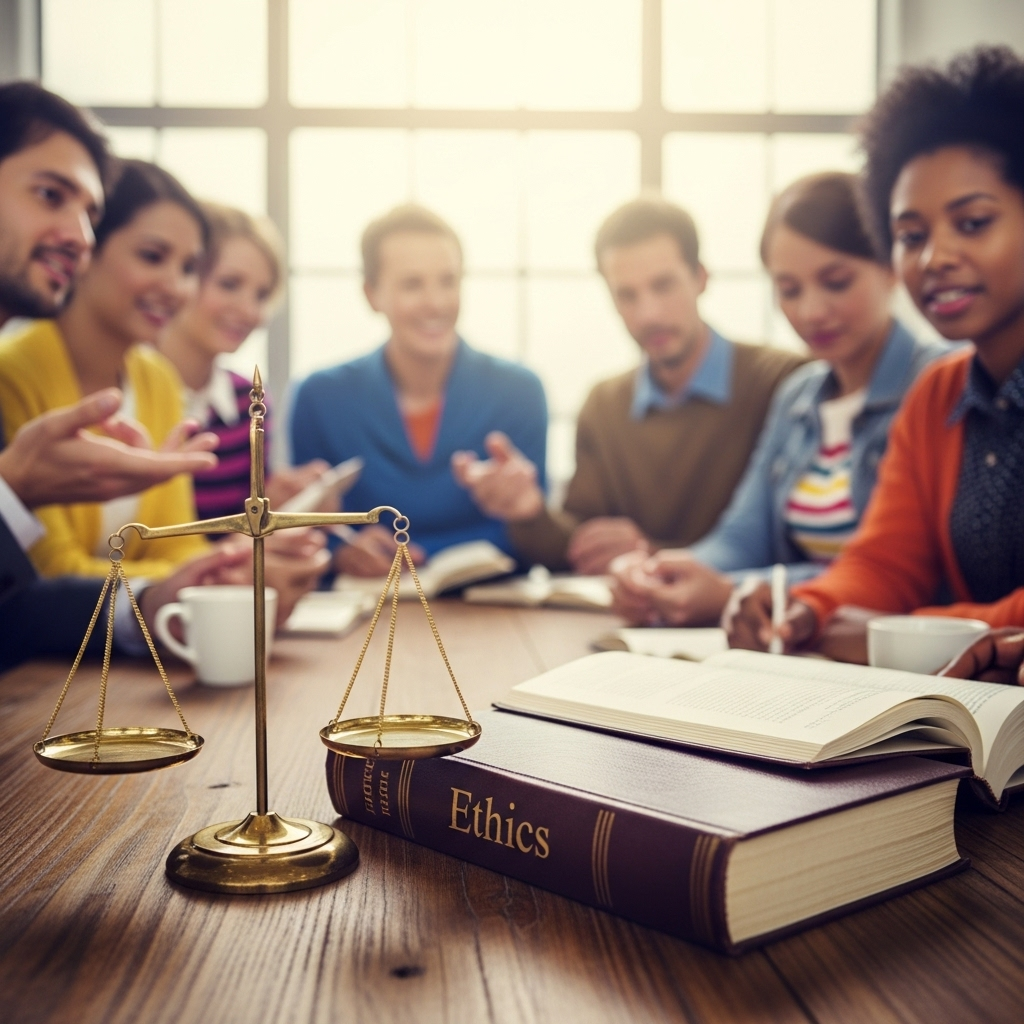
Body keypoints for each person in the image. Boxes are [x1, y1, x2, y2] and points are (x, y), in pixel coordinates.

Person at [725, 46, 1024, 664]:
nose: (933, 257)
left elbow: (898, 612)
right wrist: (813, 608)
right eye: (911, 236)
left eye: (971, 223)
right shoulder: (939, 395)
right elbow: (883, 561)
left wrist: (910, 629)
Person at [610, 173, 949, 627]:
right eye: (789, 290)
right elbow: (740, 537)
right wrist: (665, 573)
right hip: (798, 644)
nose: (810, 311)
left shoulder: (940, 383)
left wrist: (739, 591)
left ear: (891, 267)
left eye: (836, 282)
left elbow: (891, 572)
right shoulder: (798, 395)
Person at [452, 196, 804, 576]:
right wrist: (528, 511)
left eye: (663, 286)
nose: (648, 313)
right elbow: (575, 548)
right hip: (628, 623)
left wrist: (651, 553)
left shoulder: (782, 383)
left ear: (701, 278)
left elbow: (791, 546)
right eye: (627, 295)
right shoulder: (605, 405)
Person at [290, 204, 547, 576]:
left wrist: (524, 508)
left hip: (490, 610)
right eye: (413, 284)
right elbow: (308, 528)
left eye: (448, 282)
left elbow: (531, 533)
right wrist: (342, 550)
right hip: (367, 611)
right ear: (371, 294)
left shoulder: (520, 392)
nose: (436, 303)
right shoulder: (320, 398)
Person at [158, 202, 327, 522]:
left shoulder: (251, 400)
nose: (250, 311)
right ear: (184, 274)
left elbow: (236, 531)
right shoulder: (130, 393)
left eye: (262, 295)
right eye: (229, 284)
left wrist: (277, 504)